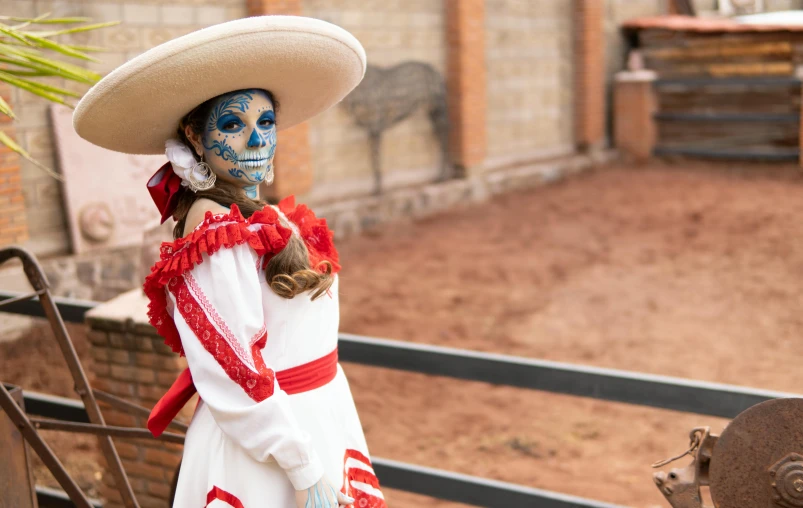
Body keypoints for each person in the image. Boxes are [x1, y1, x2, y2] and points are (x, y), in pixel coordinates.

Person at [73, 16, 386, 508]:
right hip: (268, 456)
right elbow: (230, 366)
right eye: (233, 125)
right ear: (195, 138)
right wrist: (302, 468)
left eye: (265, 123)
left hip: (317, 422)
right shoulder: (213, 233)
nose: (257, 139)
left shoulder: (258, 216)